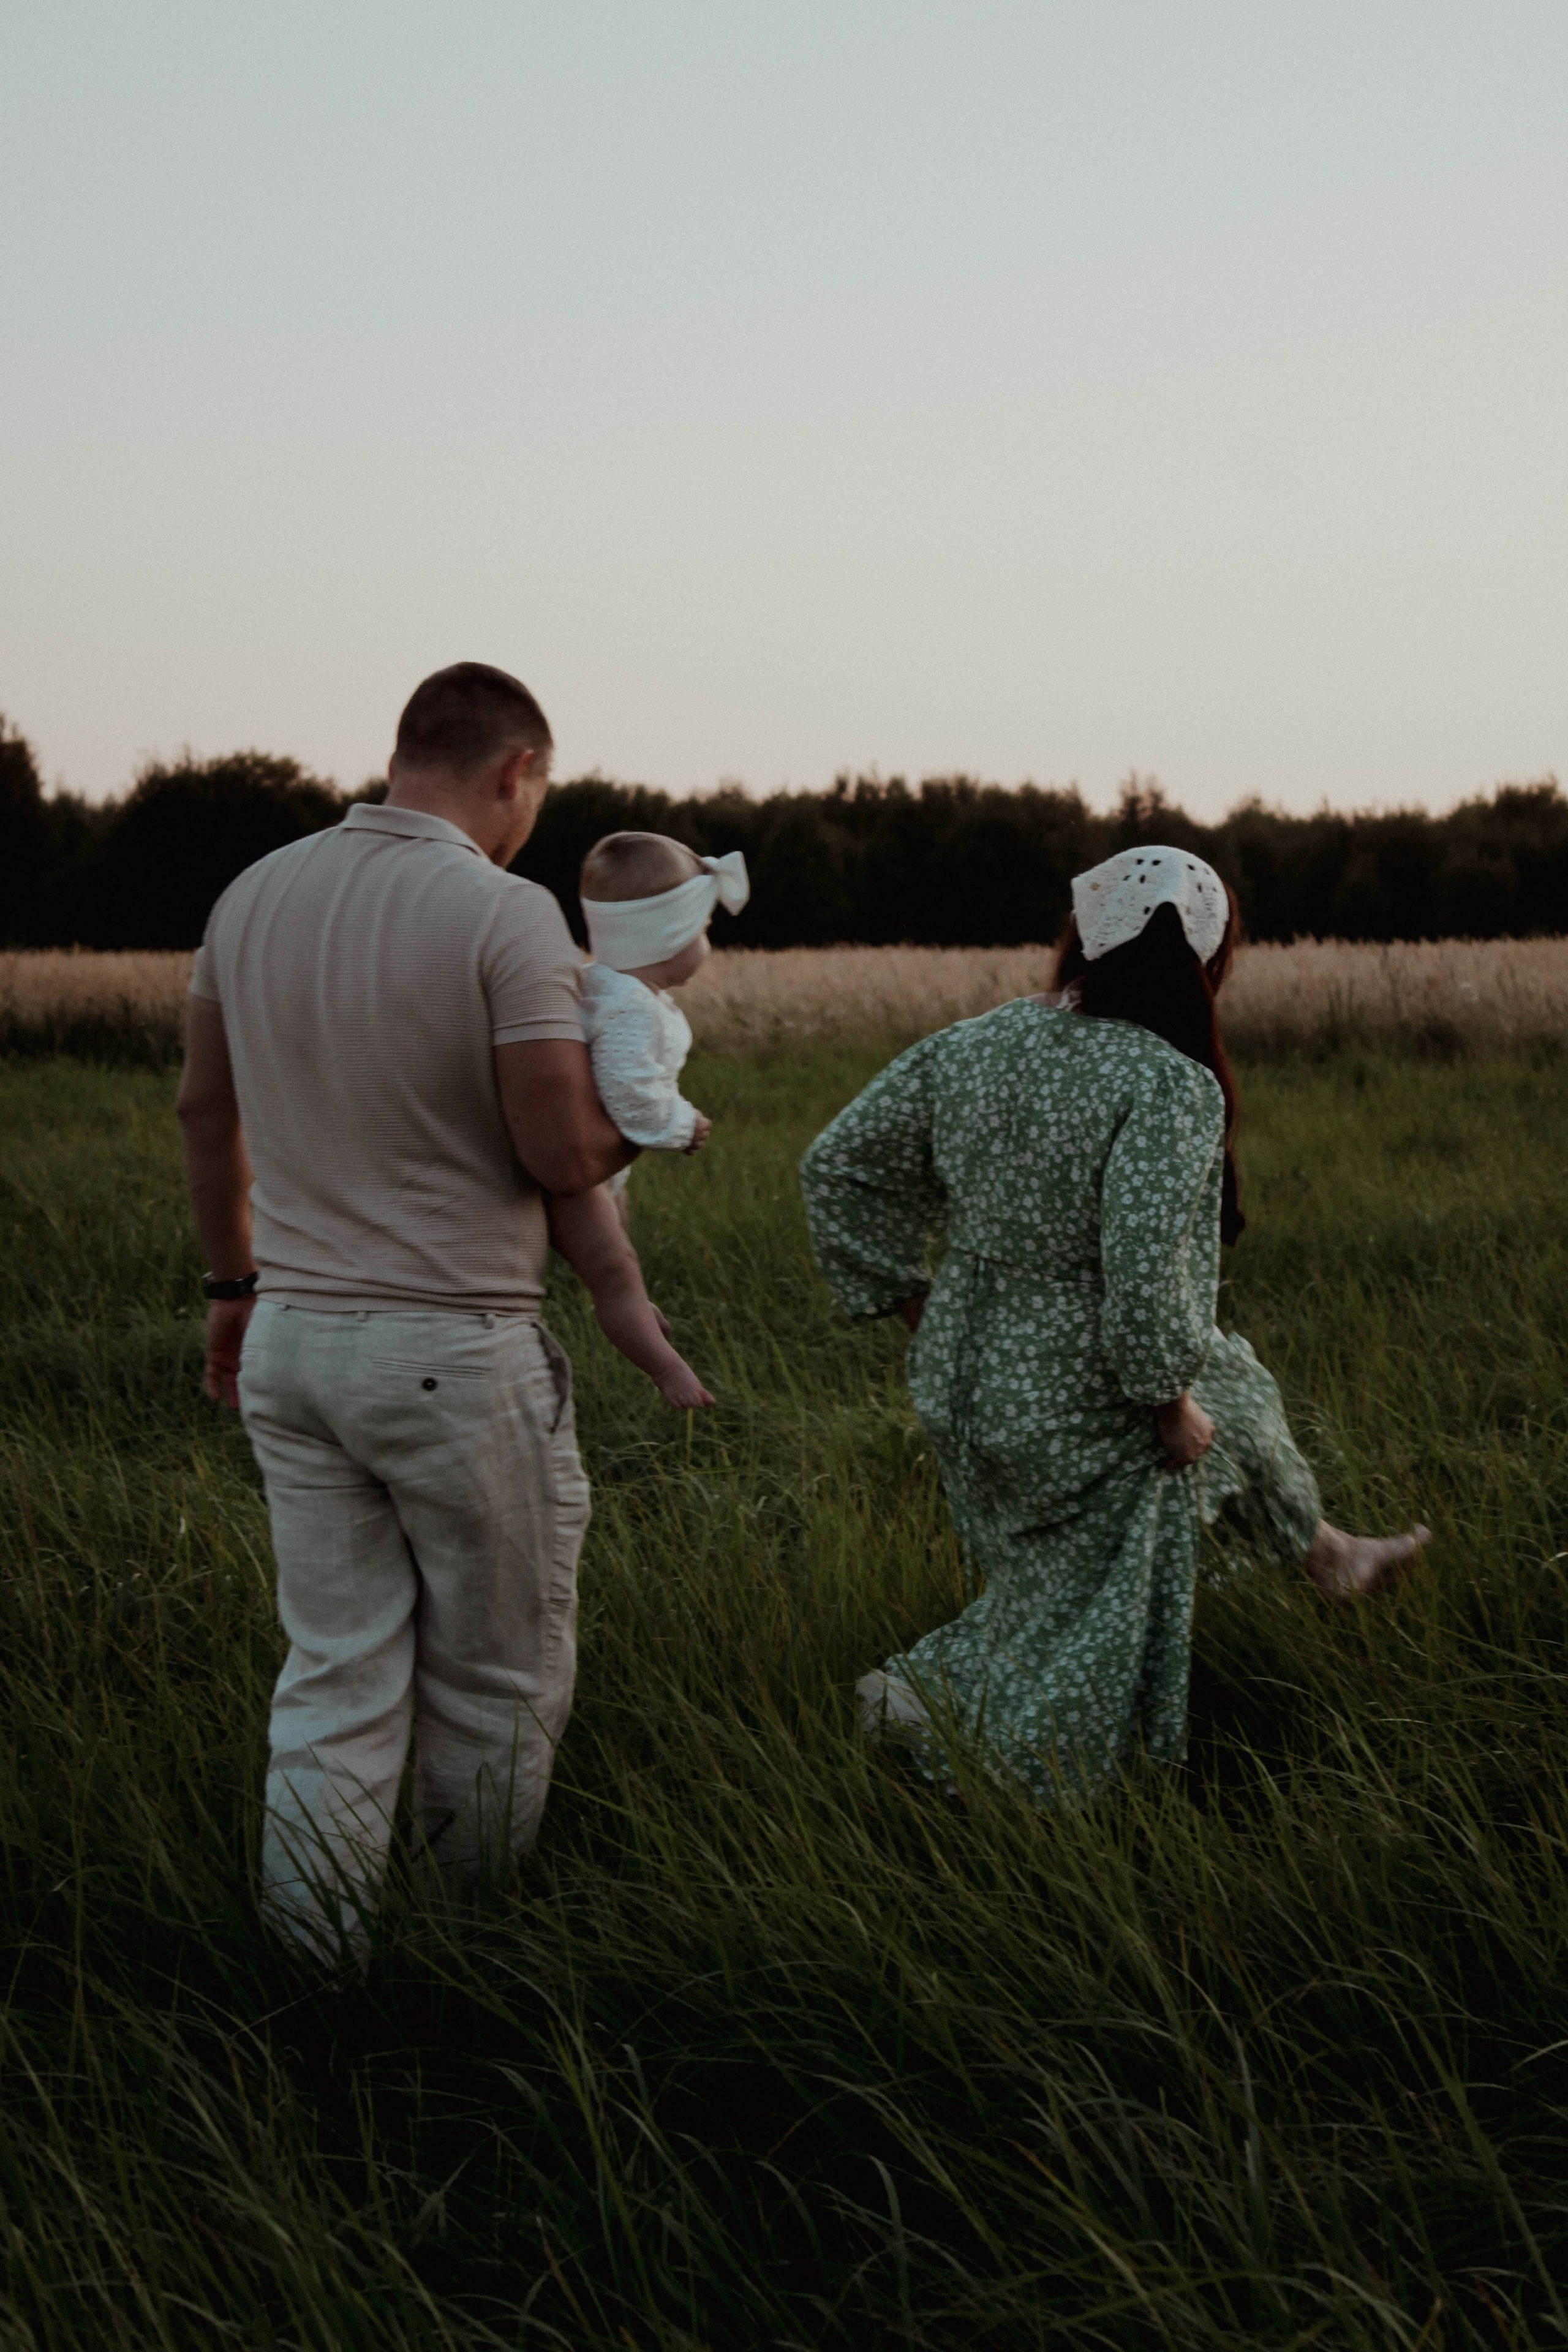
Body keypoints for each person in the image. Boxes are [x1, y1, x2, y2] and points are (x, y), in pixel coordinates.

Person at [799, 845, 1429, 1805]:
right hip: (1075, 1391)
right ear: (1209, 958)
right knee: (1081, 1606)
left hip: (962, 1375)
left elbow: (834, 1164)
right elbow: (1141, 1282)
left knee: (1228, 1393)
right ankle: (932, 1722)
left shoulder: (973, 1043)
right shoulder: (1168, 1083)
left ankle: (1330, 1554)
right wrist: (1167, 1404)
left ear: (1084, 935)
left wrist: (922, 1304)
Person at [178, 662, 633, 1957]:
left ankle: (309, 1970)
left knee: (334, 1679)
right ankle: (459, 1955)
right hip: (454, 1354)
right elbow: (561, 1153)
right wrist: (655, 1114)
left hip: (290, 1344)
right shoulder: (506, 913)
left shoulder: (250, 895)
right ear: (516, 772)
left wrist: (232, 1288)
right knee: (497, 1681)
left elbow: (204, 1112)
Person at [541, 831, 749, 1410]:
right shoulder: (629, 1006)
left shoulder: (615, 989)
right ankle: (668, 1371)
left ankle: (631, 1304)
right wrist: (681, 1125)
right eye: (703, 929)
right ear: (670, 936)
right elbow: (628, 1095)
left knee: (619, 1255)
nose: (706, 942)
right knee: (614, 1271)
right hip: (578, 1175)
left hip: (597, 1170)